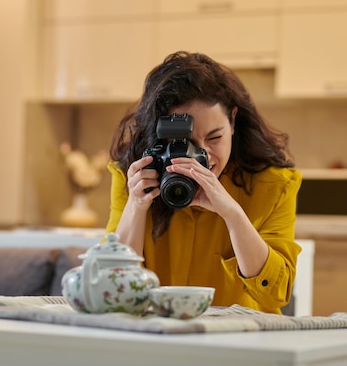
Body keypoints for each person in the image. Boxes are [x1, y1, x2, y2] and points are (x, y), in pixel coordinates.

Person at [105, 51, 301, 314]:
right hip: (155, 338)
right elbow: (113, 291)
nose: (203, 155)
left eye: (214, 137)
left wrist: (232, 214)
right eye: (186, 143)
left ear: (232, 121)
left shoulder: (274, 185)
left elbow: (275, 294)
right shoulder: (135, 176)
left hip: (242, 341)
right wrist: (136, 206)